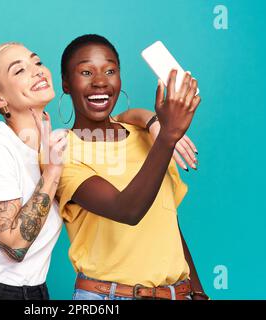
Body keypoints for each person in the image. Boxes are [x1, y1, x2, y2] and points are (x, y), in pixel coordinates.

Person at [0, 41, 201, 300]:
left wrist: (150, 119)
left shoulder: (48, 145)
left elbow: (116, 122)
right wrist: (53, 173)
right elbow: (14, 247)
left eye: (37, 62)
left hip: (32, 291)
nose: (36, 71)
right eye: (19, 70)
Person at [56, 34, 208, 300]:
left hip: (177, 294)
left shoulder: (146, 136)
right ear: (66, 84)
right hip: (108, 298)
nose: (101, 81)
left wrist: (197, 292)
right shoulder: (61, 151)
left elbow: (167, 226)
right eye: (86, 72)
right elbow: (127, 209)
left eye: (110, 70)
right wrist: (168, 135)